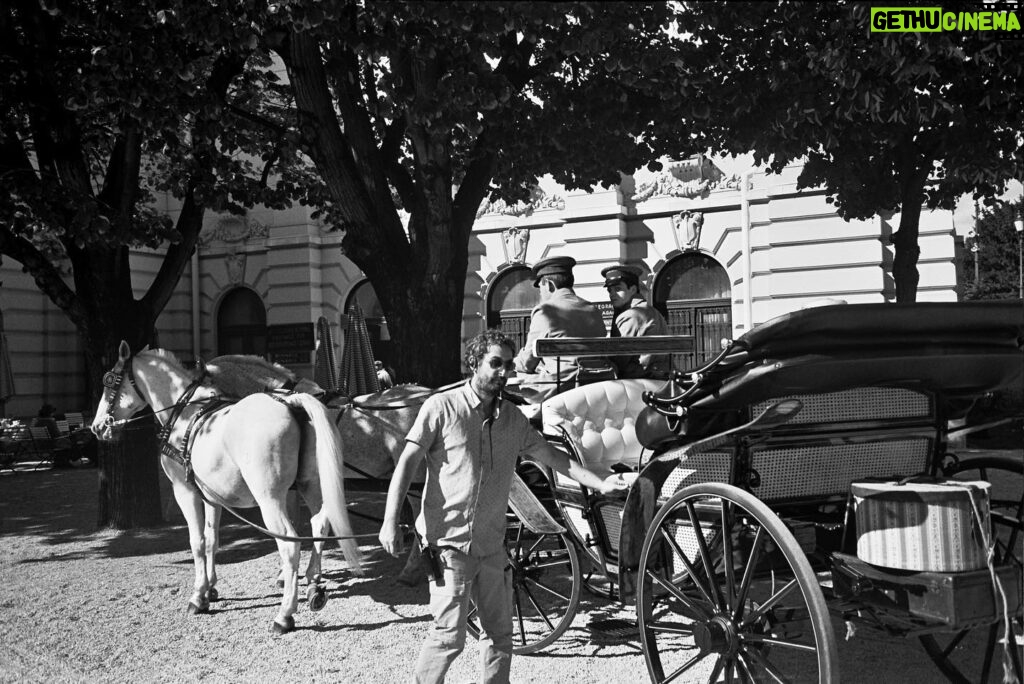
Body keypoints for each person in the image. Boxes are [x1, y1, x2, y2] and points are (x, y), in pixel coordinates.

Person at [378, 329, 628, 684]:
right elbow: (406, 463)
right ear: (474, 364)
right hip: (449, 545)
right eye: (495, 364)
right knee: (449, 636)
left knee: (499, 634)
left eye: (508, 365)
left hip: (493, 547)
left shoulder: (512, 419)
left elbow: (553, 457)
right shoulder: (441, 407)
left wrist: (601, 482)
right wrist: (390, 519)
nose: (504, 372)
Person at [512, 256, 608, 403]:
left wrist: (515, 361)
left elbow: (527, 363)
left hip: (561, 388)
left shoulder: (546, 311)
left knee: (508, 382)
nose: (540, 293)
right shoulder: (593, 310)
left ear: (548, 284)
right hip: (595, 382)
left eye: (540, 288)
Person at [601, 264, 670, 378]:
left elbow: (618, 360)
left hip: (637, 383)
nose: (612, 294)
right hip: (657, 379)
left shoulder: (631, 316)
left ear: (632, 289)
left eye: (618, 289)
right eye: (609, 290)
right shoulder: (652, 311)